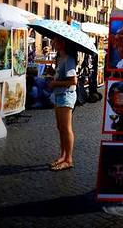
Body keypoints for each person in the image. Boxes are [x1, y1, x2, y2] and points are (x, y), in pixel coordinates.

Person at [46, 37, 78, 171]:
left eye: (55, 41)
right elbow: (62, 76)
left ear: (62, 43)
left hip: (66, 95)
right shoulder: (60, 58)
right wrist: (52, 73)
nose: (52, 43)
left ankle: (68, 160)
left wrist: (55, 83)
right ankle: (63, 156)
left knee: (66, 128)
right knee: (60, 127)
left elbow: (73, 81)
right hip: (58, 95)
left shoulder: (69, 59)